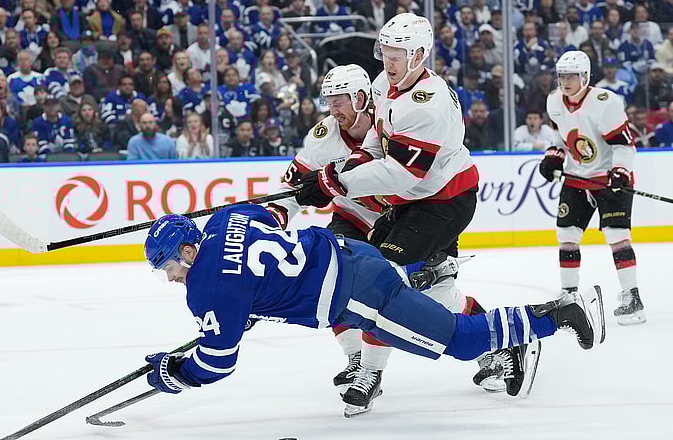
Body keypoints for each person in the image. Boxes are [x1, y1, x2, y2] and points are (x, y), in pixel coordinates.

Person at [140, 206, 605, 412]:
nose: (169, 276)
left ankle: (557, 314)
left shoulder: (208, 289)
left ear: (186, 250)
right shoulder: (226, 220)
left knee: (459, 342)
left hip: (356, 293)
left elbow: (219, 361)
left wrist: (175, 372)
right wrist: (257, 294)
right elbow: (274, 219)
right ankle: (431, 276)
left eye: (167, 265)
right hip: (354, 252)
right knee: (424, 314)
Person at [293, 15, 493, 410]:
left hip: (442, 203)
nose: (388, 60)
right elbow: (376, 142)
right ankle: (500, 348)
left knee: (380, 281)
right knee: (427, 290)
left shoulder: (428, 104)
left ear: (418, 55)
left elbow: (400, 174)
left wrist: (335, 181)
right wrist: (348, 165)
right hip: (416, 201)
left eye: (397, 53)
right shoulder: (386, 84)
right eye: (384, 51)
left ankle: (369, 372)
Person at [540, 50, 645, 326]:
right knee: (566, 235)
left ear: (585, 76)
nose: (565, 81)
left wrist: (621, 171)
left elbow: (624, 143)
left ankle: (632, 297)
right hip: (577, 178)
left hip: (609, 179)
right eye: (562, 75)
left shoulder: (604, 102)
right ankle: (569, 295)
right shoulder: (554, 101)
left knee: (617, 236)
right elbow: (559, 135)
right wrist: (554, 155)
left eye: (572, 75)